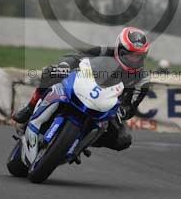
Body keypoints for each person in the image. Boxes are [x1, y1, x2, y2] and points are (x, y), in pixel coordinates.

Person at [12, 27, 151, 151]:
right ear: (119, 48)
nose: (133, 59)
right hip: (83, 86)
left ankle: (83, 142)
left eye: (138, 56)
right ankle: (30, 107)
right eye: (129, 54)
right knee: (51, 72)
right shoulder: (104, 51)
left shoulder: (142, 78)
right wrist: (65, 65)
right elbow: (75, 56)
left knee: (124, 140)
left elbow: (132, 106)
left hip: (109, 106)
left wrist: (122, 111)